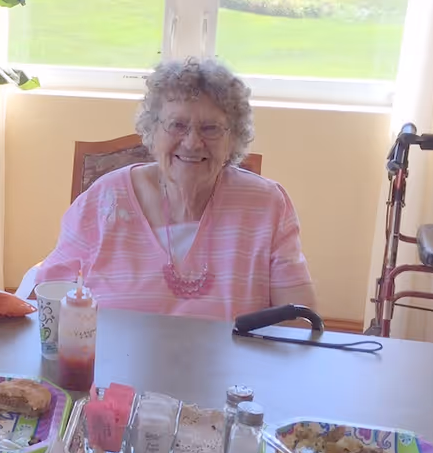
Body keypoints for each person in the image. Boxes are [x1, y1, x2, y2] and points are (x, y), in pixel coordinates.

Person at [35, 58, 316, 321]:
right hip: (114, 369)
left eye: (211, 128)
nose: (192, 142)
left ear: (233, 138)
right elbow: (49, 294)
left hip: (233, 373)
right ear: (152, 132)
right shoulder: (105, 199)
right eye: (177, 125)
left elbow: (297, 320)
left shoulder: (267, 205)